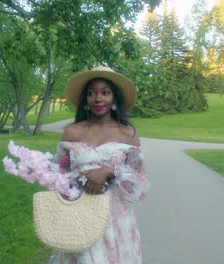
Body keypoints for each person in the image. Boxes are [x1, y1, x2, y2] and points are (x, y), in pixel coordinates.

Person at [51, 66, 149, 263]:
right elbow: (56, 175)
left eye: (105, 92)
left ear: (114, 97)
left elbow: (139, 181)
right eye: (91, 93)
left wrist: (109, 172)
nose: (98, 98)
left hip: (116, 220)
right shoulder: (72, 132)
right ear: (85, 99)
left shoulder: (127, 134)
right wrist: (81, 177)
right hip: (80, 217)